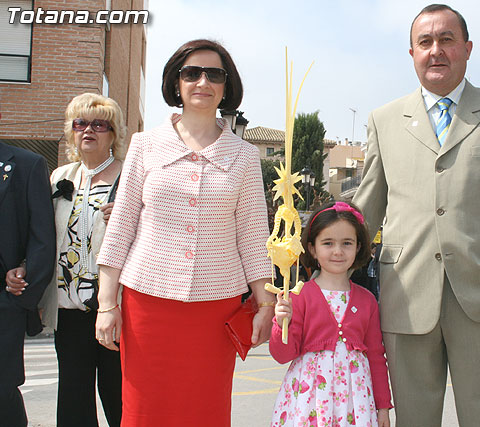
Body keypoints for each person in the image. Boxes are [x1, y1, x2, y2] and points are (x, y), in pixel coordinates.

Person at [353, 4, 480, 427]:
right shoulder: (384, 120)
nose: (435, 50)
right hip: (406, 297)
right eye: (425, 42)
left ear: (468, 48)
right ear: (412, 53)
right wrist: (317, 261)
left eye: (446, 40)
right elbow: (366, 209)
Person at [94, 39, 275, 427]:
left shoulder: (243, 156)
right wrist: (107, 303)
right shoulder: (144, 146)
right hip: (147, 305)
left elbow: (253, 236)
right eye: (191, 73)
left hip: (215, 310)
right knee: (144, 410)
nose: (202, 82)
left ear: (227, 86)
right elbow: (121, 226)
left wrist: (265, 304)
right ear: (177, 82)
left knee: (205, 410)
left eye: (215, 74)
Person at [6, 93, 125, 426]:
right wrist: (27, 267)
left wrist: (132, 217)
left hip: (114, 307)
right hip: (67, 307)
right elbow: (41, 235)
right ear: (71, 131)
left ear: (113, 133)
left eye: (99, 124)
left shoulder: (129, 177)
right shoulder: (59, 176)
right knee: (73, 397)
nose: (89, 130)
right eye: (80, 123)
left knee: (118, 397)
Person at [270, 201, 392, 427]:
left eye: (347, 243)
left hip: (356, 404)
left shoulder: (368, 301)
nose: (338, 251)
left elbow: (376, 356)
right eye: (328, 243)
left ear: (358, 247)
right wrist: (281, 323)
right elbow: (282, 355)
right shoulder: (299, 295)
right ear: (313, 248)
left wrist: (382, 406)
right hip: (309, 402)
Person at [0, 142, 55, 427]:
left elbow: (42, 239)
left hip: (5, 305)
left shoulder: (26, 164)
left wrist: (19, 298)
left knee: (3, 394)